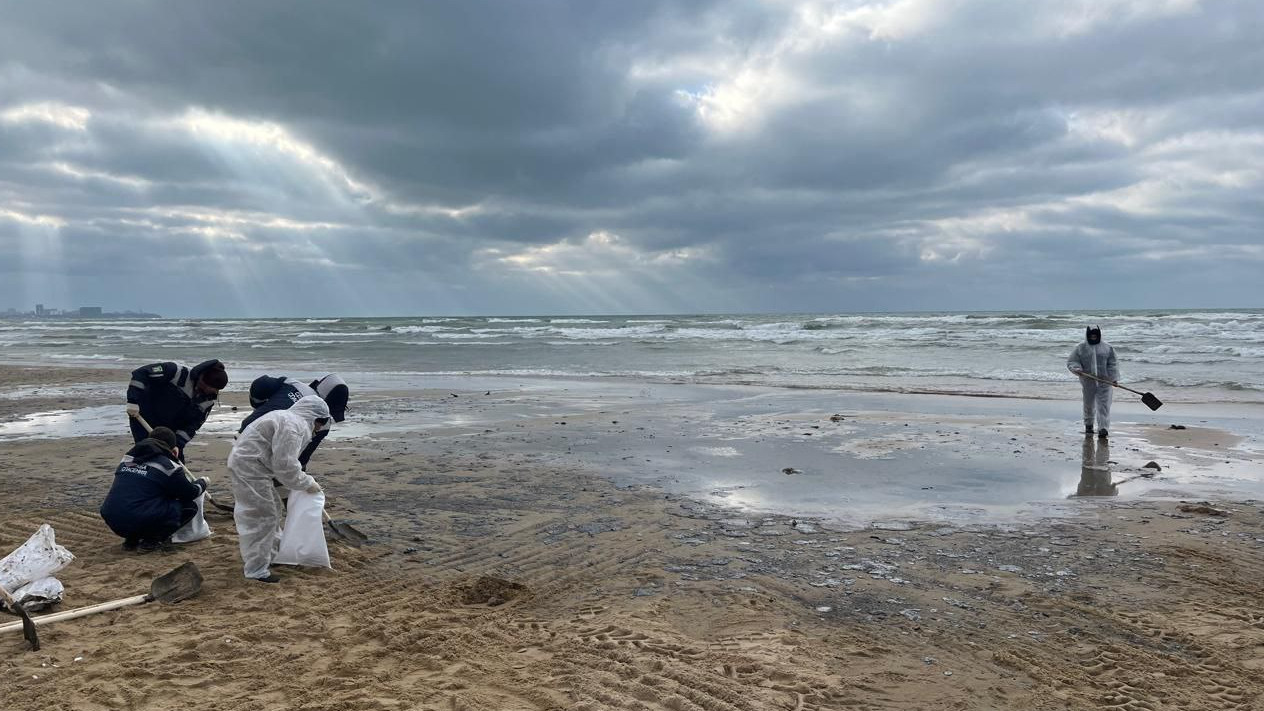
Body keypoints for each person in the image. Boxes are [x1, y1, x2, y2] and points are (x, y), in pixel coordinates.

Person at [227, 394, 330, 583]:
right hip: (250, 468)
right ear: (317, 419)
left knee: (273, 509)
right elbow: (285, 465)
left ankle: (273, 555)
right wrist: (306, 483)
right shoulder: (294, 426)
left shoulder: (286, 417)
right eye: (320, 425)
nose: (318, 430)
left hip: (252, 465)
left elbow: (279, 463)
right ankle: (256, 571)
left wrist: (294, 484)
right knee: (262, 516)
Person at [100, 426, 209, 552]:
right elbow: (190, 493)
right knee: (188, 507)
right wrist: (203, 482)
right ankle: (152, 540)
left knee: (142, 500)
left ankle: (131, 540)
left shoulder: (127, 460)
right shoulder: (169, 467)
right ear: (173, 450)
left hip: (112, 518)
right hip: (138, 517)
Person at [239, 373, 349, 469]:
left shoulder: (293, 384)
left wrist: (258, 407)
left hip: (248, 432)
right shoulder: (325, 423)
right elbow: (303, 458)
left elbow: (260, 384)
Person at [125, 359, 228, 459]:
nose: (202, 391)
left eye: (209, 390)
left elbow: (191, 427)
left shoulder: (207, 402)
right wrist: (132, 401)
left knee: (175, 460)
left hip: (171, 430)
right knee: (148, 453)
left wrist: (177, 444)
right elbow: (141, 373)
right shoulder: (175, 372)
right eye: (203, 386)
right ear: (200, 376)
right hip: (143, 417)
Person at [1067, 325, 1118, 438]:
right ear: (1088, 335)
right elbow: (1072, 361)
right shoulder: (1080, 348)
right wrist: (1077, 369)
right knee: (1089, 404)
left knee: (1103, 406)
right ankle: (1089, 424)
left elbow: (1112, 364)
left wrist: (1113, 378)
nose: (1094, 338)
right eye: (1092, 336)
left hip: (1105, 382)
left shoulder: (1107, 348)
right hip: (1087, 381)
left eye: (1096, 336)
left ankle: (1103, 428)